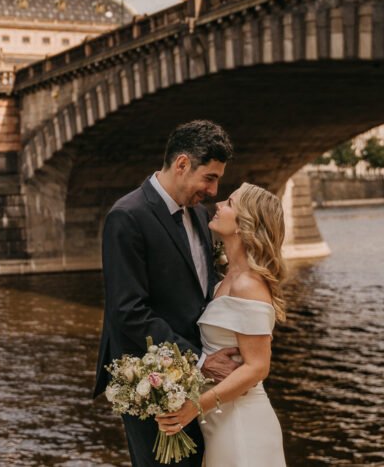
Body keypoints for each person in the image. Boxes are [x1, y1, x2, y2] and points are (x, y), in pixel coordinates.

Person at [93, 120, 240, 467]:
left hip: (197, 380)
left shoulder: (201, 216)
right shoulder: (127, 217)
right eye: (210, 178)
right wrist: (201, 361)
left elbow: (200, 295)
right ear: (182, 164)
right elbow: (128, 311)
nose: (214, 191)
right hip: (151, 380)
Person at [156, 183, 288, 466]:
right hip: (219, 420)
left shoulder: (248, 284)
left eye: (229, 203)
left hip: (242, 424)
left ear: (244, 224)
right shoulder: (226, 277)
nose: (218, 205)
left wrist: (193, 407)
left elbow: (257, 367)